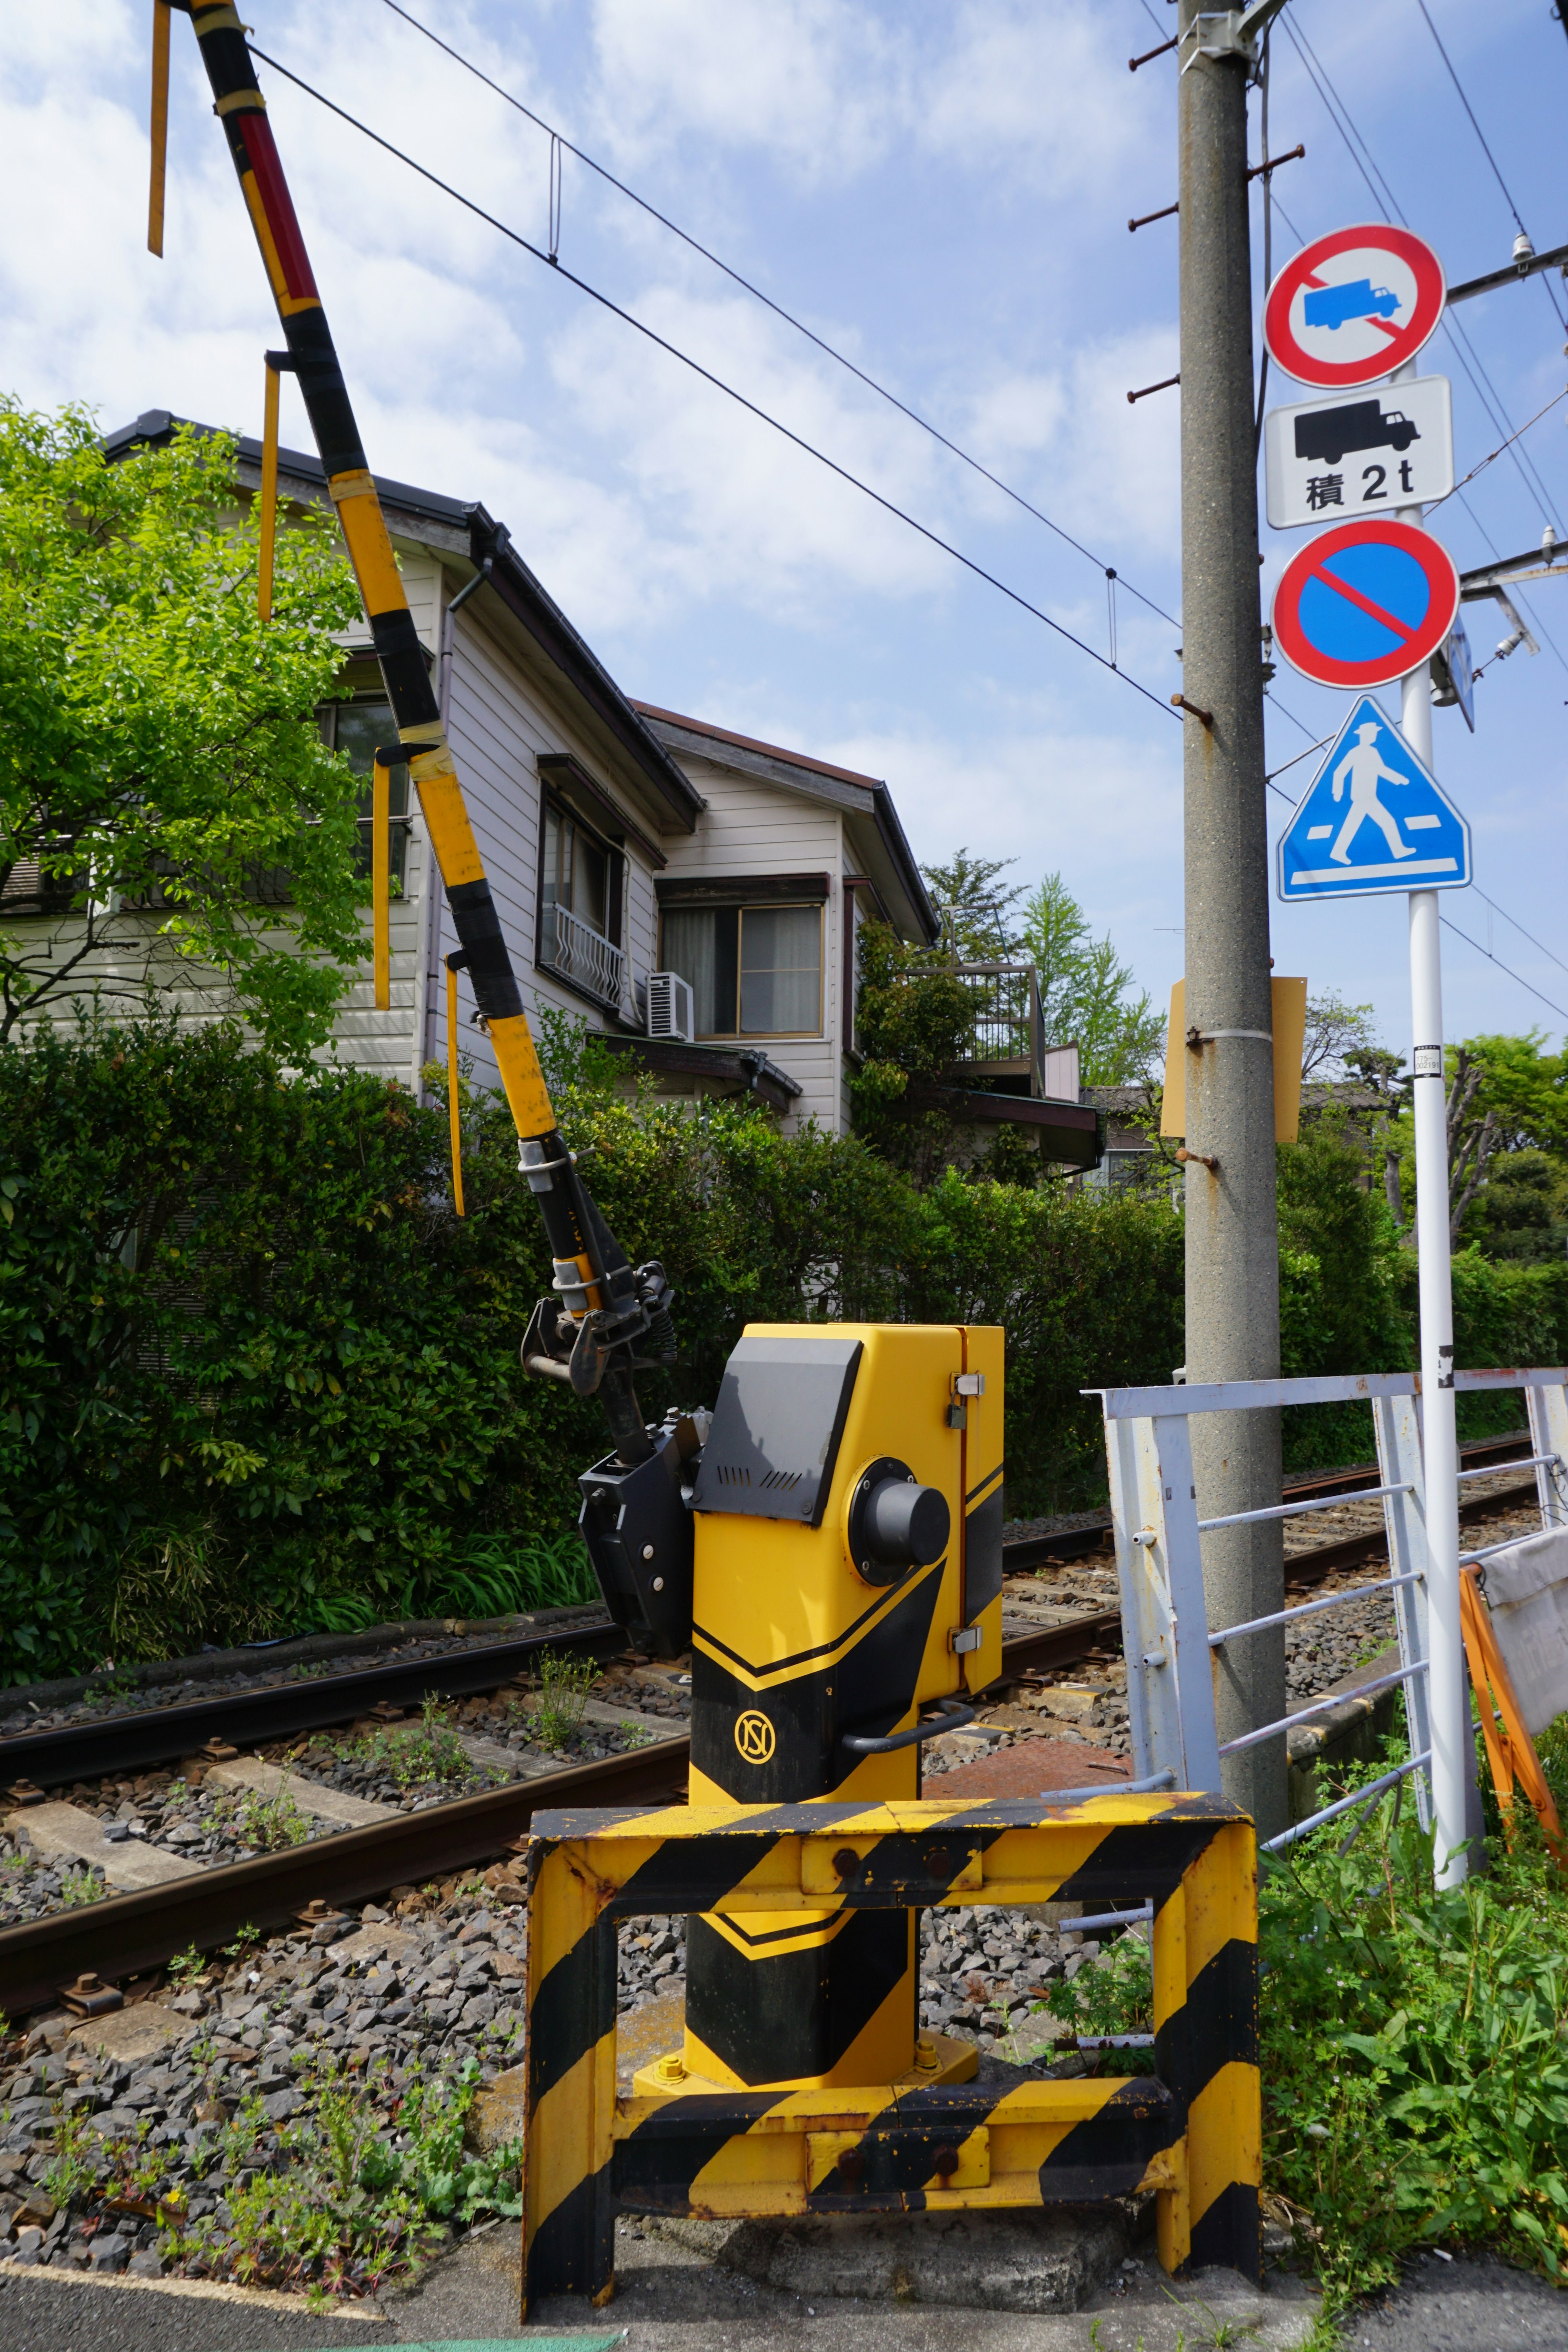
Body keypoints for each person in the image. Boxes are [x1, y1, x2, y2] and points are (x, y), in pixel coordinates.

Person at [1329, 721, 1414, 865]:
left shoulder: (1372, 751)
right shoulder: (1355, 752)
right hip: (1362, 796)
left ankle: (1338, 852)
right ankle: (1398, 851)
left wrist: (1400, 779)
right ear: (1365, 735)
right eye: (1373, 733)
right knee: (1386, 822)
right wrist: (1338, 792)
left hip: (1369, 796)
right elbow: (1339, 772)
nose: (1375, 735)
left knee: (1355, 825)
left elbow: (1381, 769)